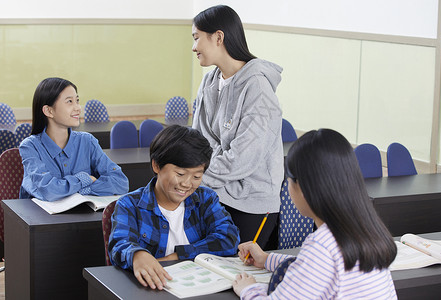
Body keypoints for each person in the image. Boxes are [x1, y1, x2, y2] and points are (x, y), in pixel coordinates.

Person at [233, 129, 398, 299]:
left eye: (288, 181)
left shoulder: (322, 246)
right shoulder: (366, 230)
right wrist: (267, 259)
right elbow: (313, 269)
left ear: (304, 188)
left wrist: (248, 289)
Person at [191, 5, 283, 250]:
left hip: (253, 203)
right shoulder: (209, 82)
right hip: (216, 193)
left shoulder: (258, 88)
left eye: (196, 37)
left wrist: (195, 175)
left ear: (218, 37)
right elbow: (197, 140)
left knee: (234, 273)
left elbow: (243, 159)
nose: (193, 47)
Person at [109, 125, 240, 290]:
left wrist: (177, 256)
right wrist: (137, 255)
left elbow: (228, 238)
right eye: (180, 174)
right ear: (156, 166)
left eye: (197, 176)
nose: (186, 184)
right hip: (152, 290)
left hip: (199, 288)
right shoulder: (129, 205)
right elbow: (119, 245)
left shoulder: (205, 199)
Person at [19, 77, 129, 201]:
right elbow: (49, 191)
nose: (78, 108)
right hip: (41, 218)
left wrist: (83, 189)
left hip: (82, 217)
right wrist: (85, 179)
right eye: (69, 101)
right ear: (49, 111)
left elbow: (120, 182)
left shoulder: (87, 141)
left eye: (77, 100)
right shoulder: (30, 146)